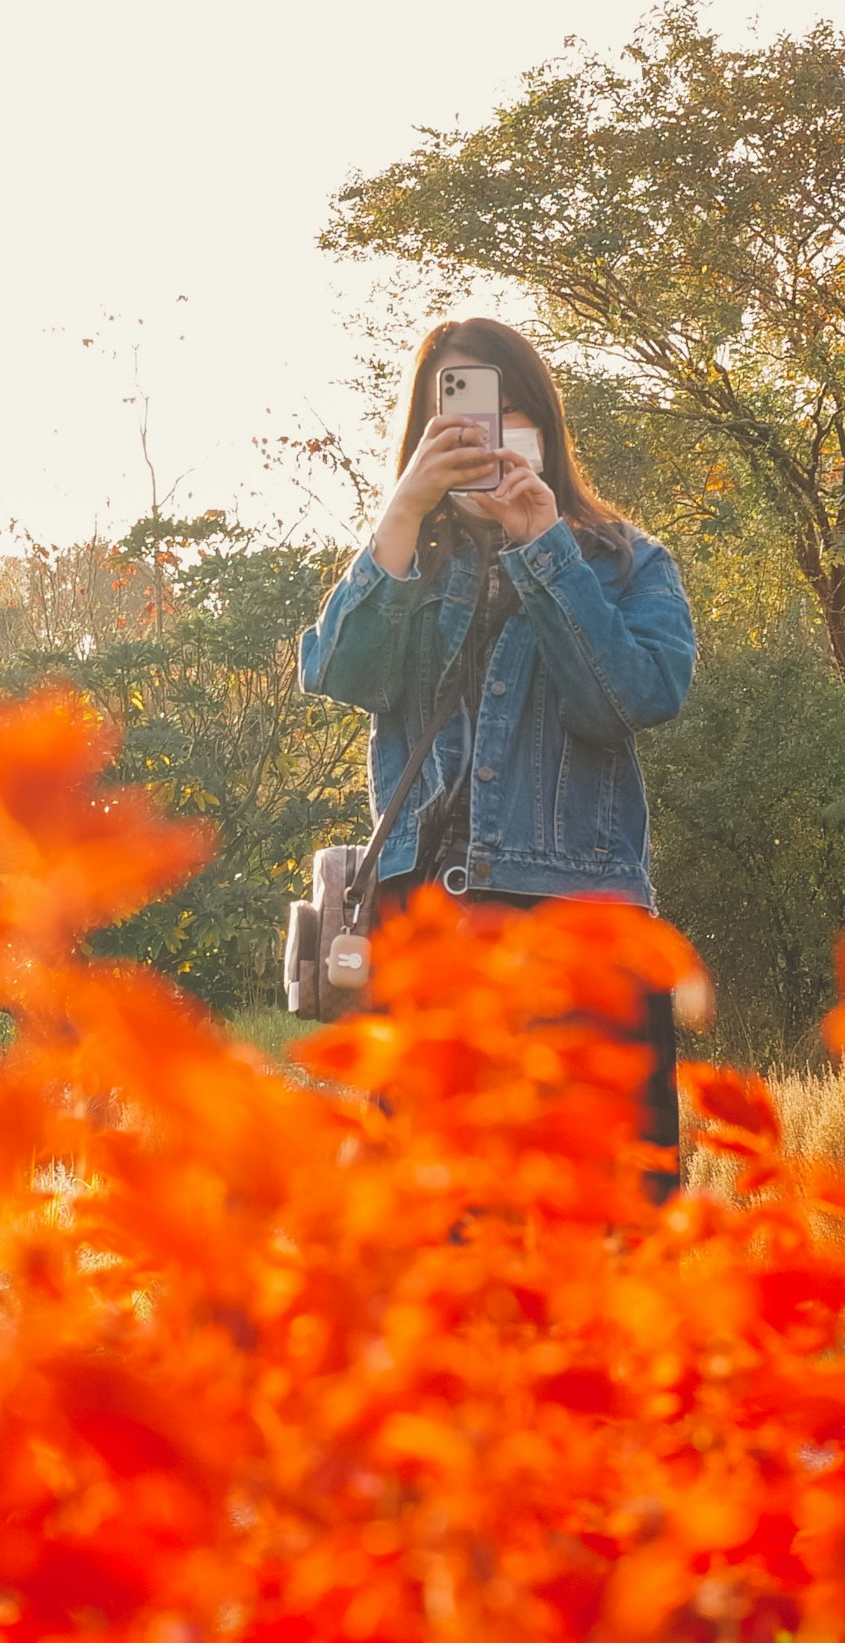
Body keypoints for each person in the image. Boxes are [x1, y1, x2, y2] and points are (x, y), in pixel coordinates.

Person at [296, 317, 698, 1181]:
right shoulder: (409, 562)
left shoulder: (627, 562)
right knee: (437, 1228)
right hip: (431, 935)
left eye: (514, 412)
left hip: (582, 929)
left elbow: (629, 699)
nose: (493, 435)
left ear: (548, 429)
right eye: (466, 415)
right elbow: (337, 670)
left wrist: (544, 549)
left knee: (608, 1224)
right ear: (425, 435)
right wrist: (400, 512)